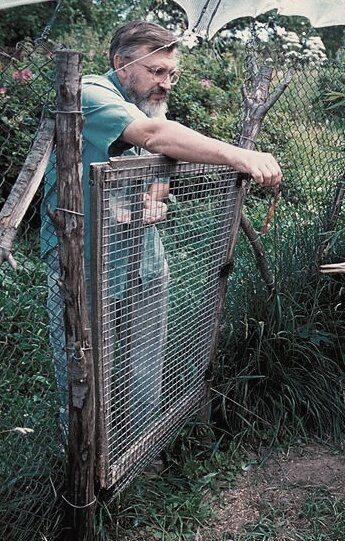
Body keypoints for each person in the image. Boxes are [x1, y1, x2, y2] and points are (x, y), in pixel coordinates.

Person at [41, 21, 282, 441]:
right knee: (87, 367)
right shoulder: (90, 94)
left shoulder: (148, 102)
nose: (166, 83)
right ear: (121, 63)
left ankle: (139, 449)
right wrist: (238, 155)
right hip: (85, 260)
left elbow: (160, 157)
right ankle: (81, 457)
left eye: (172, 74)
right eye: (156, 71)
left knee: (146, 364)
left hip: (143, 258)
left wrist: (155, 192)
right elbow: (154, 137)